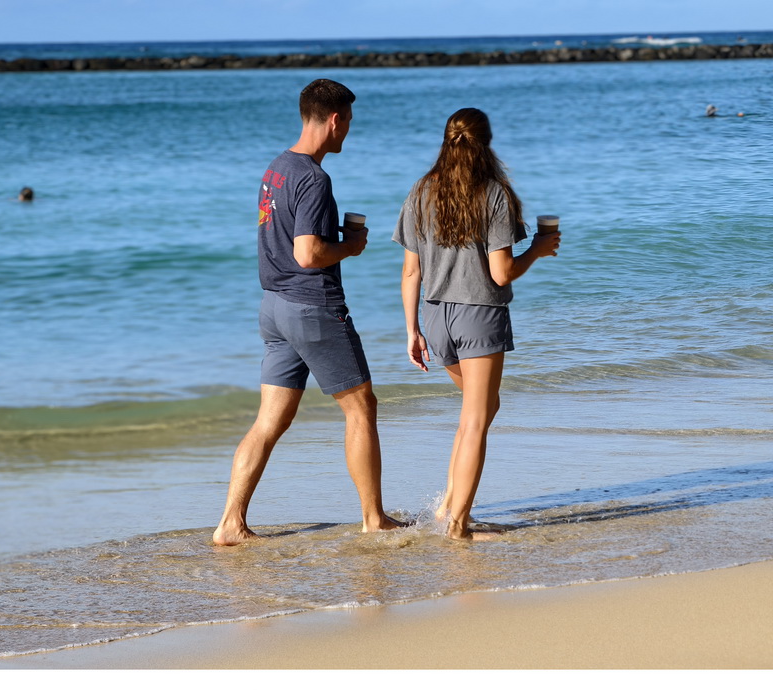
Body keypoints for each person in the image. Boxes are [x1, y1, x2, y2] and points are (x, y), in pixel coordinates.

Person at [213, 79, 403, 546]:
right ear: (334, 120)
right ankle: (374, 518)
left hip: (273, 307)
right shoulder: (314, 178)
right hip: (311, 306)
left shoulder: (276, 169)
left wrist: (331, 243)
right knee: (362, 408)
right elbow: (307, 253)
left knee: (269, 421)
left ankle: (230, 524)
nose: (349, 133)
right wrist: (351, 246)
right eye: (349, 123)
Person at [394, 108, 560, 541]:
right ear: (486, 142)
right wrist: (539, 250)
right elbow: (501, 272)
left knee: (479, 411)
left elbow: (411, 272)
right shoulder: (494, 194)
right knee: (475, 419)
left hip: (435, 316)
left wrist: (411, 329)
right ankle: (458, 526)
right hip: (478, 314)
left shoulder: (421, 191)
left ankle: (449, 505)